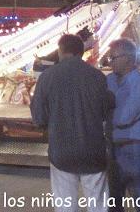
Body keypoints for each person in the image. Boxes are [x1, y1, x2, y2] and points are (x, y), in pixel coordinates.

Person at [30, 34, 113, 212]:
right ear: (81, 52)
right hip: (93, 150)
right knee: (98, 203)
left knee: (65, 204)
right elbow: (107, 112)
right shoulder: (97, 77)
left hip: (61, 150)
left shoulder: (47, 77)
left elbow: (38, 117)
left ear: (60, 51)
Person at [106, 38, 140, 212]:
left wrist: (102, 115)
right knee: (114, 197)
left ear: (128, 58)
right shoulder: (110, 80)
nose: (110, 61)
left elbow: (123, 118)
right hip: (114, 146)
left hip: (135, 147)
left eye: (113, 58)